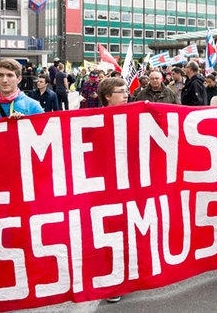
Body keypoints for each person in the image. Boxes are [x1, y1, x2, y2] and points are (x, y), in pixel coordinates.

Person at [96, 76, 128, 304]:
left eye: (126, 90)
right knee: (109, 233)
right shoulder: (92, 119)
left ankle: (130, 276)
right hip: (105, 186)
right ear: (107, 96)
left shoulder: (136, 114)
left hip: (132, 183)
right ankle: (113, 281)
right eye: (120, 91)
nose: (126, 94)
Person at [0, 58, 43, 124]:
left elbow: (43, 134)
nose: (4, 80)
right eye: (1, 75)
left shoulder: (33, 107)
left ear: (19, 79)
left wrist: (25, 125)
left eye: (10, 75)